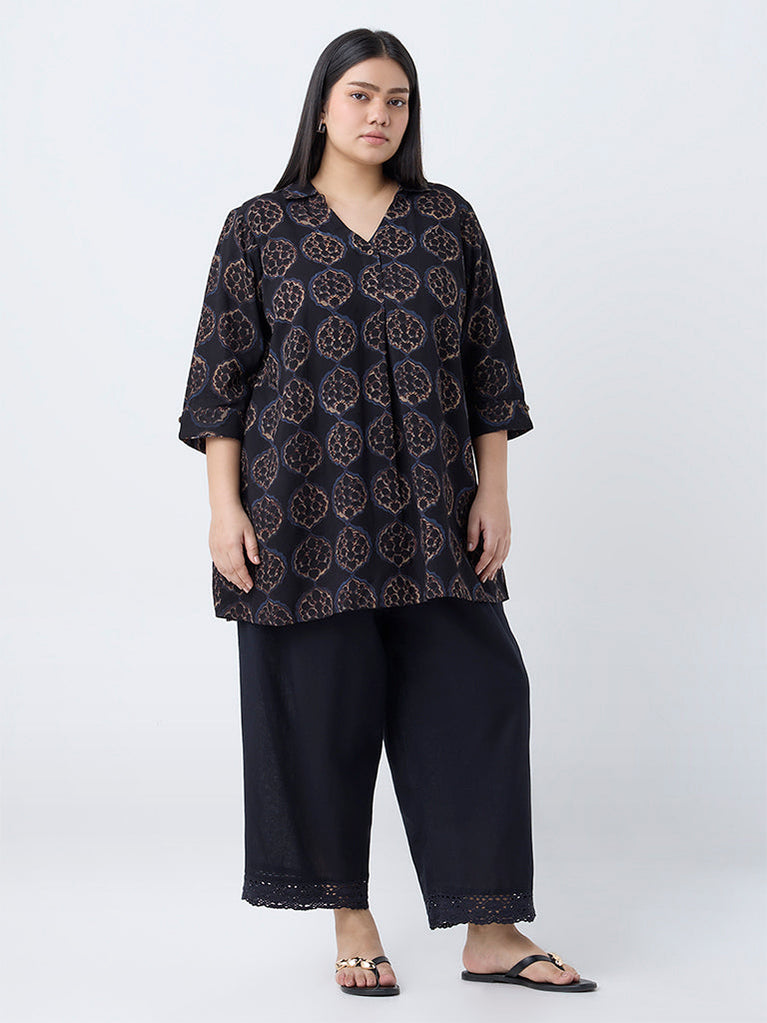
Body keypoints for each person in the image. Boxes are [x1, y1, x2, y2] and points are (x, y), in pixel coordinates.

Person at [177, 27, 597, 997]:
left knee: (478, 696)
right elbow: (220, 384)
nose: (379, 114)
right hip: (299, 516)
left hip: (434, 517)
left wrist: (494, 488)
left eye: (396, 100)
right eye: (361, 95)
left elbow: (487, 366)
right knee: (319, 712)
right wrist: (222, 510)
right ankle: (351, 920)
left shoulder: (445, 221)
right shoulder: (259, 229)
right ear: (322, 107)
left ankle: (490, 930)